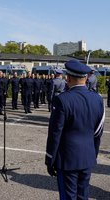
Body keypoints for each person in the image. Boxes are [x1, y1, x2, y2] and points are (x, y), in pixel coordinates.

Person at [45, 60, 104, 200]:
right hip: (88, 156)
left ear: (69, 78)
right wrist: (93, 153)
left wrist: (50, 159)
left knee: (68, 196)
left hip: (67, 159)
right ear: (86, 78)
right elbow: (98, 131)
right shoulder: (98, 99)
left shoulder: (62, 100)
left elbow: (55, 133)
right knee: (83, 195)